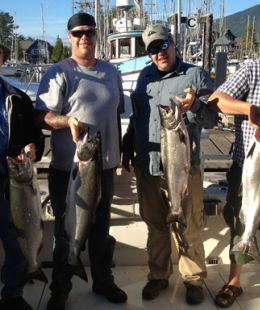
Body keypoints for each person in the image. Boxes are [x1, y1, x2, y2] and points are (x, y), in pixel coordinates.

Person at [35, 12, 127, 310]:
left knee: (101, 230)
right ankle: (60, 288)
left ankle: (102, 280)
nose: (84, 37)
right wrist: (66, 120)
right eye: (78, 33)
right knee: (66, 231)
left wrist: (121, 152)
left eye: (89, 31)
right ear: (69, 37)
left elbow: (114, 114)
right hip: (69, 169)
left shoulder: (112, 72)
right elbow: (41, 117)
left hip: (106, 165)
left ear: (97, 35)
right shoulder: (59, 72)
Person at [122, 24, 218, 305]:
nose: (159, 53)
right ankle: (159, 275)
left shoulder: (195, 75)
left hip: (184, 169)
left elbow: (212, 120)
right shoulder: (144, 78)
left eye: (163, 45)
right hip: (148, 167)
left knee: (189, 226)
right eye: (153, 49)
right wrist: (128, 147)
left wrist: (196, 107)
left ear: (173, 43)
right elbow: (137, 121)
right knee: (156, 225)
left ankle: (193, 279)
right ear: (148, 54)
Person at [207, 30, 260, 308]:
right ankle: (234, 281)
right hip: (249, 166)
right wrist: (249, 109)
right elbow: (217, 100)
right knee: (240, 222)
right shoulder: (253, 68)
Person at [0, 43, 44, 310]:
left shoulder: (16, 97)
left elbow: (34, 134)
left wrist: (33, 146)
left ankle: (13, 294)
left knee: (15, 242)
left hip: (11, 181)